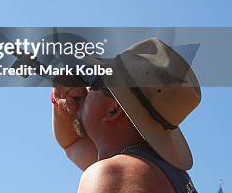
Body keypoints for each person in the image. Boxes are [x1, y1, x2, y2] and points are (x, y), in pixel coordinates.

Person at [51, 38, 200, 193]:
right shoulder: (157, 171)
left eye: (93, 81)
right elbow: (71, 143)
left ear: (113, 110)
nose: (85, 88)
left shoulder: (115, 175)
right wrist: (59, 97)